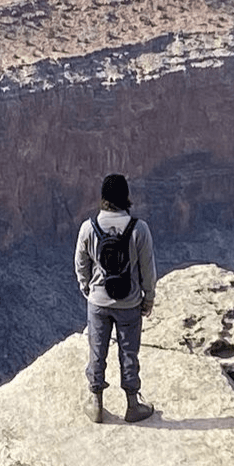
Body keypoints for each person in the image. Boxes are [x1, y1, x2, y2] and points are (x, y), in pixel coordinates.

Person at [74, 173, 157, 424]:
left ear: (103, 198)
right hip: (129, 303)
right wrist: (148, 298)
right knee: (129, 352)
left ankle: (96, 403)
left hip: (98, 303)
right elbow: (147, 269)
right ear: (126, 197)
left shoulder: (89, 228)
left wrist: (87, 288)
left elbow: (80, 263)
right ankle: (133, 405)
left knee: (97, 350)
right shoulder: (139, 229)